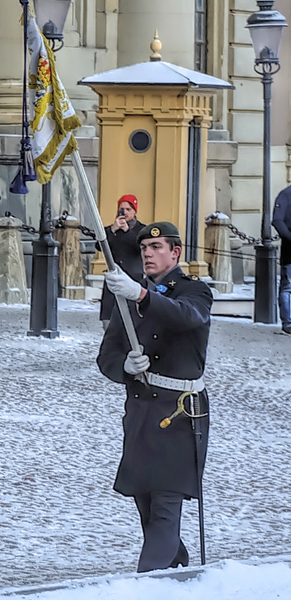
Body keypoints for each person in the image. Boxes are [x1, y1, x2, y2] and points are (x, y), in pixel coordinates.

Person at [97, 223, 212, 572]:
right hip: (142, 412)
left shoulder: (194, 291)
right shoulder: (129, 295)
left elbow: (186, 317)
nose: (147, 252)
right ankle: (176, 562)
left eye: (156, 246)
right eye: (144, 246)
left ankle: (145, 586)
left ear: (175, 252)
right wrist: (125, 367)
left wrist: (143, 296)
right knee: (146, 504)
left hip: (180, 414)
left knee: (165, 504)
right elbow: (107, 356)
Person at [101, 194, 147, 324]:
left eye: (128, 209)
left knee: (131, 320)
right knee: (108, 321)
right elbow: (99, 246)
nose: (125, 212)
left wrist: (127, 231)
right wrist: (113, 230)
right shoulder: (112, 229)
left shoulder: (143, 230)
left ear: (134, 211)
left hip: (133, 278)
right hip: (113, 279)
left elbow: (140, 248)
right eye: (122, 209)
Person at [275, 182, 291, 334]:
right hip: (290, 252)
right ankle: (288, 322)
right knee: (288, 288)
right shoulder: (286, 194)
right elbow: (277, 221)